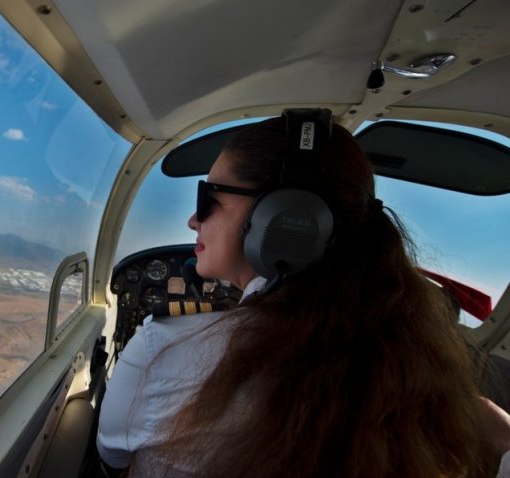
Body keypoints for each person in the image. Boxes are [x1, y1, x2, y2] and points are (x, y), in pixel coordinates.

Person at [97, 112, 510, 477]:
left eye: (209, 199)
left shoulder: (162, 349)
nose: (192, 220)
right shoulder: (429, 384)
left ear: (285, 217)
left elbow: (111, 456)